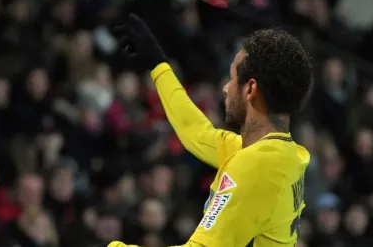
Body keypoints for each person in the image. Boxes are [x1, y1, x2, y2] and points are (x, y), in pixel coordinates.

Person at [98, 13, 313, 247]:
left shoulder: (257, 167)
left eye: (232, 78)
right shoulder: (281, 154)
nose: (225, 88)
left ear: (250, 89)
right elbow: (199, 134)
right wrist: (158, 64)